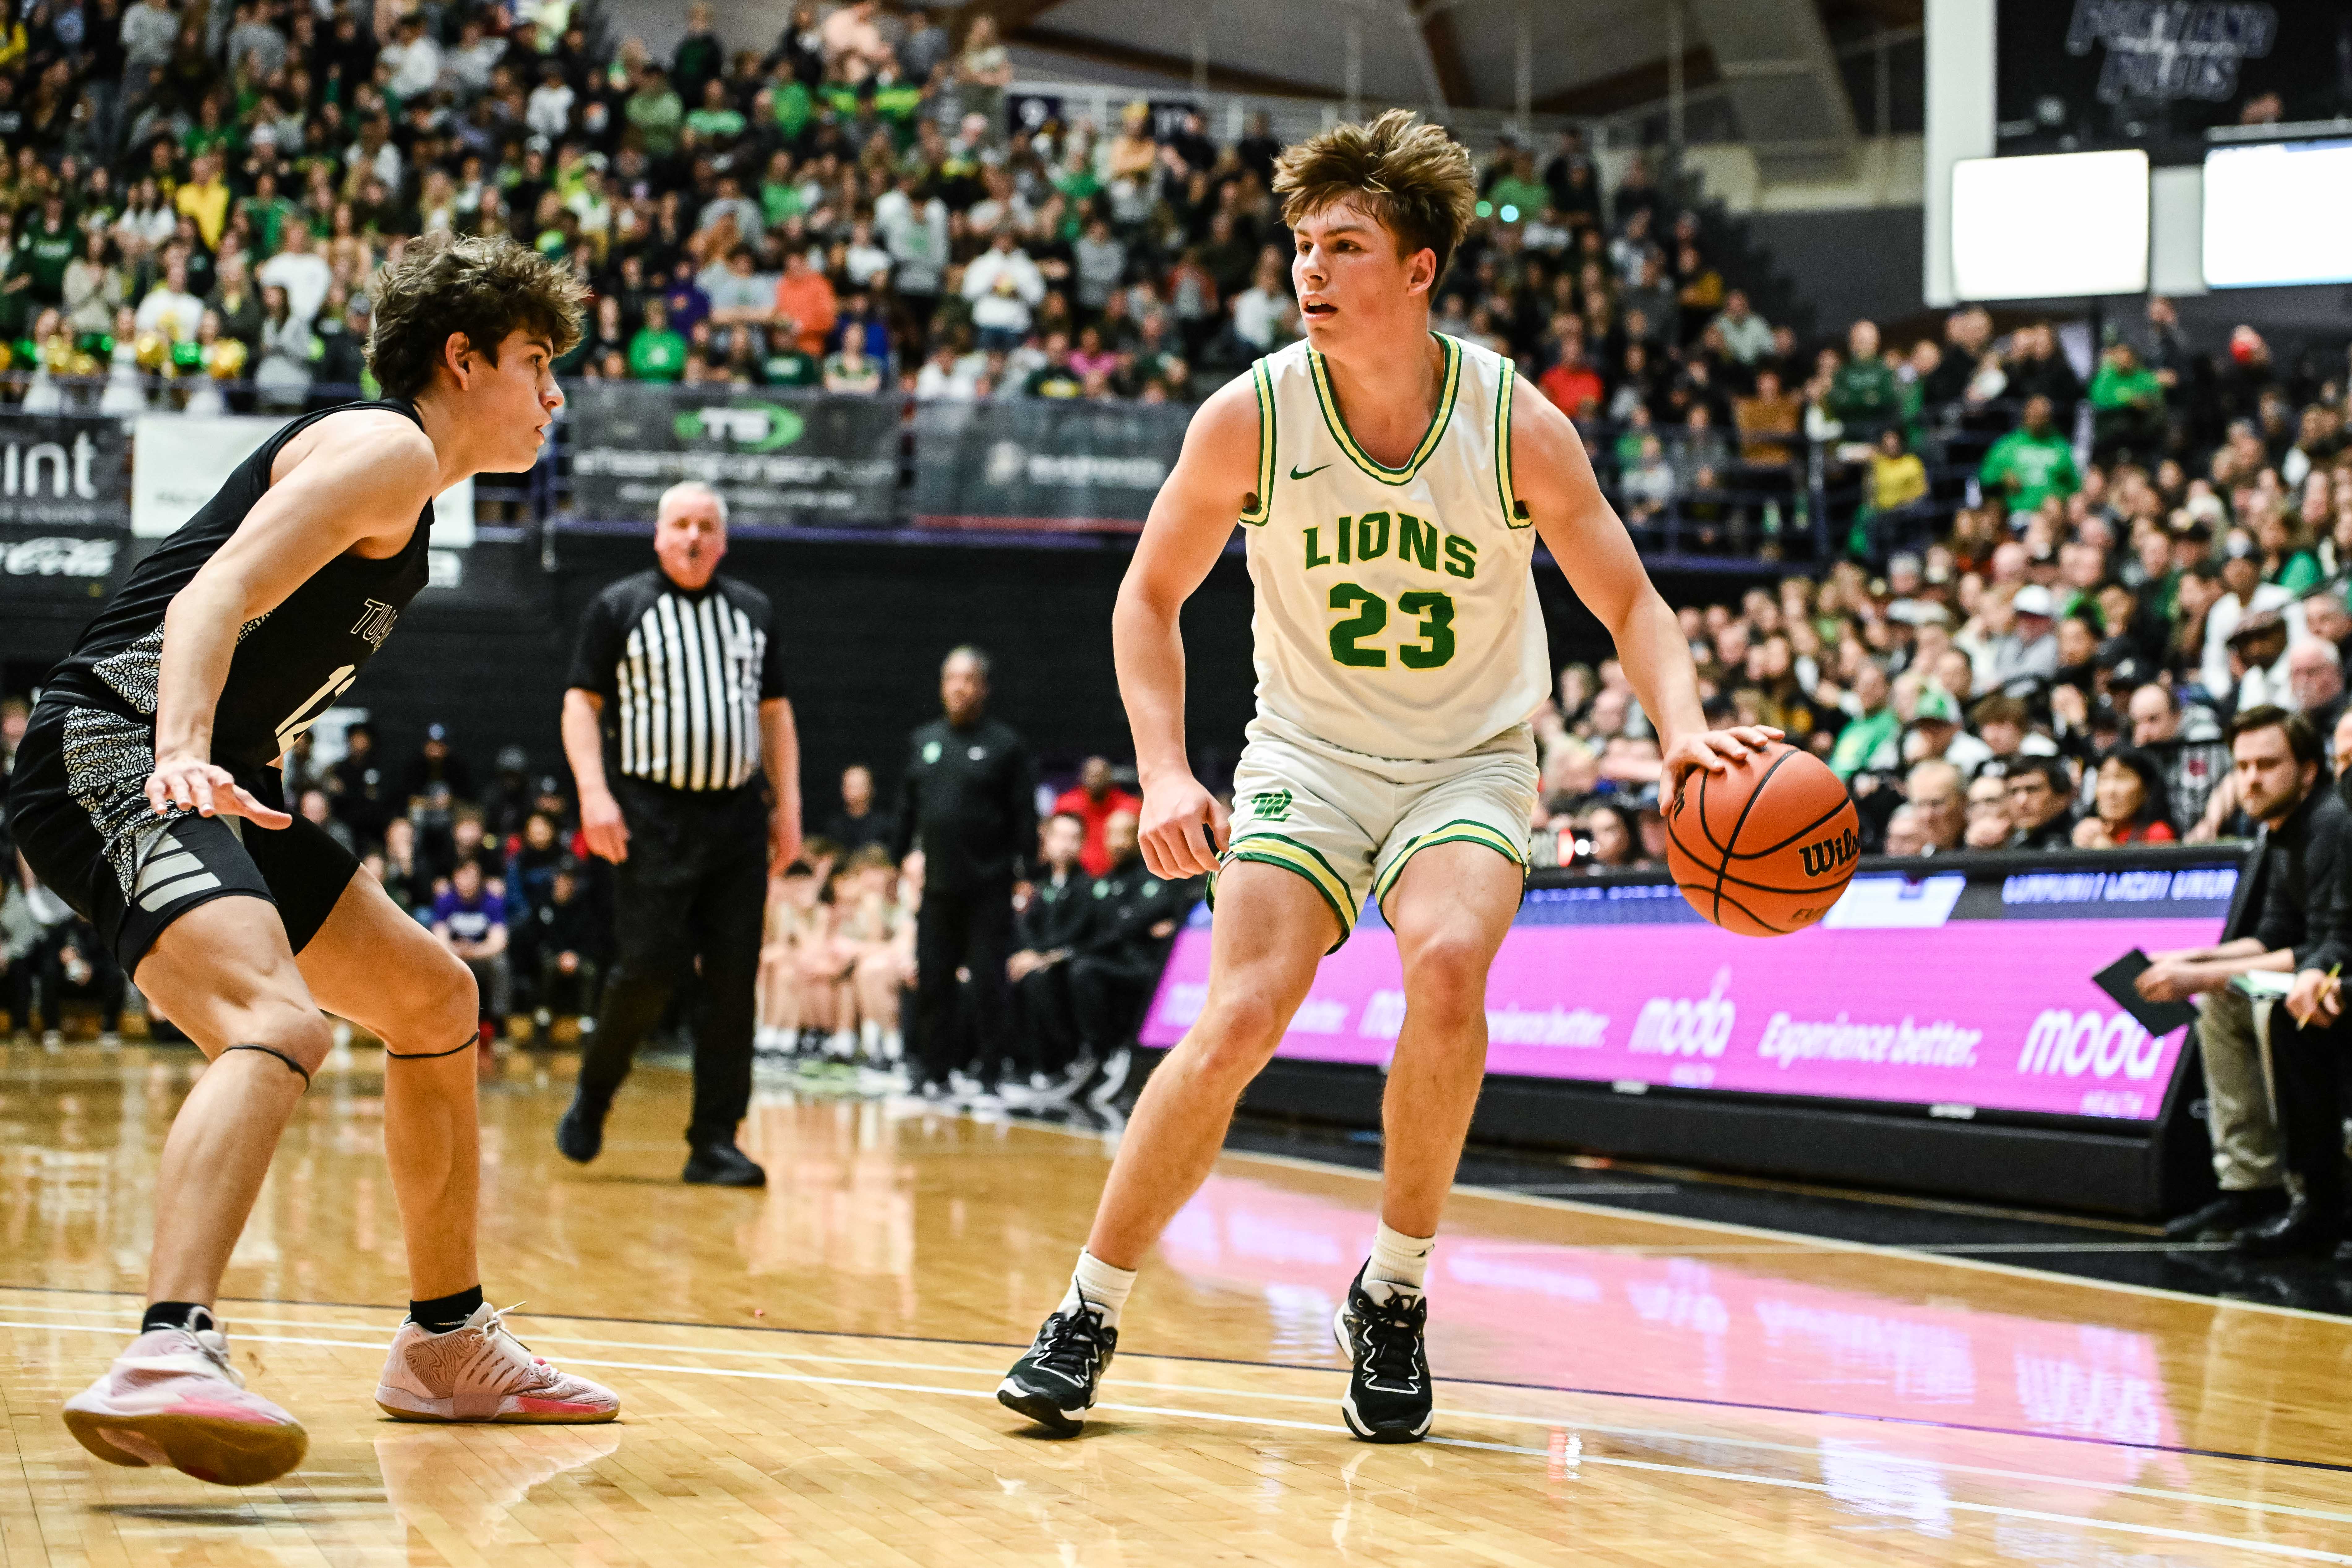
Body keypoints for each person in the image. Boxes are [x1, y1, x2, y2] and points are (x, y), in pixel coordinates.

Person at [994, 112, 1766, 1445]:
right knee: (1241, 1010)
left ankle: (1392, 1290)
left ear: (1417, 268)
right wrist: (1165, 770)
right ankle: (1087, 1303)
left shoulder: (1509, 419)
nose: (1308, 269)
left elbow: (1631, 599)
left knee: (1449, 963)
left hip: (1465, 760)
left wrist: (1682, 726)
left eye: (1342, 245)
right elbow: (1145, 596)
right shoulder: (1250, 413)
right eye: (1298, 244)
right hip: (1303, 752)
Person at [6, 233, 617, 1489]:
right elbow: (207, 597)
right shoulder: (384, 447)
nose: (555, 393)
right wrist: (178, 746)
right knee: (276, 1022)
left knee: (436, 999)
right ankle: (169, 1347)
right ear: (462, 359)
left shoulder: (410, 493)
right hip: (120, 748)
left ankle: (446, 1341)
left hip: (230, 781)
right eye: (536, 361)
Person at [556, 480, 802, 1187]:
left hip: (735, 819)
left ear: (722, 540)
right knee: (649, 970)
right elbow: (580, 703)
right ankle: (595, 1095)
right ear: (659, 535)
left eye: (705, 527)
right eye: (680, 525)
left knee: (732, 983)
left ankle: (715, 1140)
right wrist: (594, 793)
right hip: (649, 815)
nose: (693, 537)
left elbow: (776, 714)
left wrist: (788, 808)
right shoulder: (620, 606)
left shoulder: (753, 611)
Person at [2141, 708, 2331, 1244]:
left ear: (2307, 770)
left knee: (2269, 1001)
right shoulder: (2279, 832)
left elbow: (2321, 949)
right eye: (2242, 766)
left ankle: (2310, 1192)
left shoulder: (2328, 826)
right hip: (2308, 968)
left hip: (2331, 980)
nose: (2250, 778)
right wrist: (2194, 960)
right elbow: (2271, 937)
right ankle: (2250, 1185)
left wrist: (2203, 973)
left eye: (2266, 764)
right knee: (2221, 997)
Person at [891, 647, 1037, 1101]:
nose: (958, 687)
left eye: (968, 679)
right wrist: (902, 859)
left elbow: (1023, 816)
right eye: (951, 679)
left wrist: (1026, 873)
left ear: (984, 687)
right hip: (936, 888)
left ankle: (991, 1073)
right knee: (933, 980)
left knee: (989, 982)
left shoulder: (1005, 746)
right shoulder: (925, 740)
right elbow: (907, 810)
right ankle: (934, 1071)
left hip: (988, 888)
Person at [1009, 811, 1092, 1094]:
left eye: (1074, 838)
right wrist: (1029, 951)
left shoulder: (1087, 886)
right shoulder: (1035, 883)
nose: (1066, 844)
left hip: (1064, 960)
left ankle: (1055, 1062)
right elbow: (1023, 924)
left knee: (1039, 980)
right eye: (1060, 837)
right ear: (1047, 839)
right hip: (1034, 958)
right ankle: (1012, 1062)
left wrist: (1042, 955)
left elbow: (1079, 930)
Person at [1054, 756, 1141, 878]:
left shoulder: (1130, 806)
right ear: (1082, 776)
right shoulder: (1066, 805)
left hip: (1122, 874)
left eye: (1101, 775)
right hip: (1076, 876)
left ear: (1110, 776)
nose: (1096, 780)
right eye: (1092, 775)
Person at [821, 763, 891, 854]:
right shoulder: (834, 826)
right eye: (848, 785)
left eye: (857, 786)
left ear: (870, 789)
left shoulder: (884, 826)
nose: (851, 791)